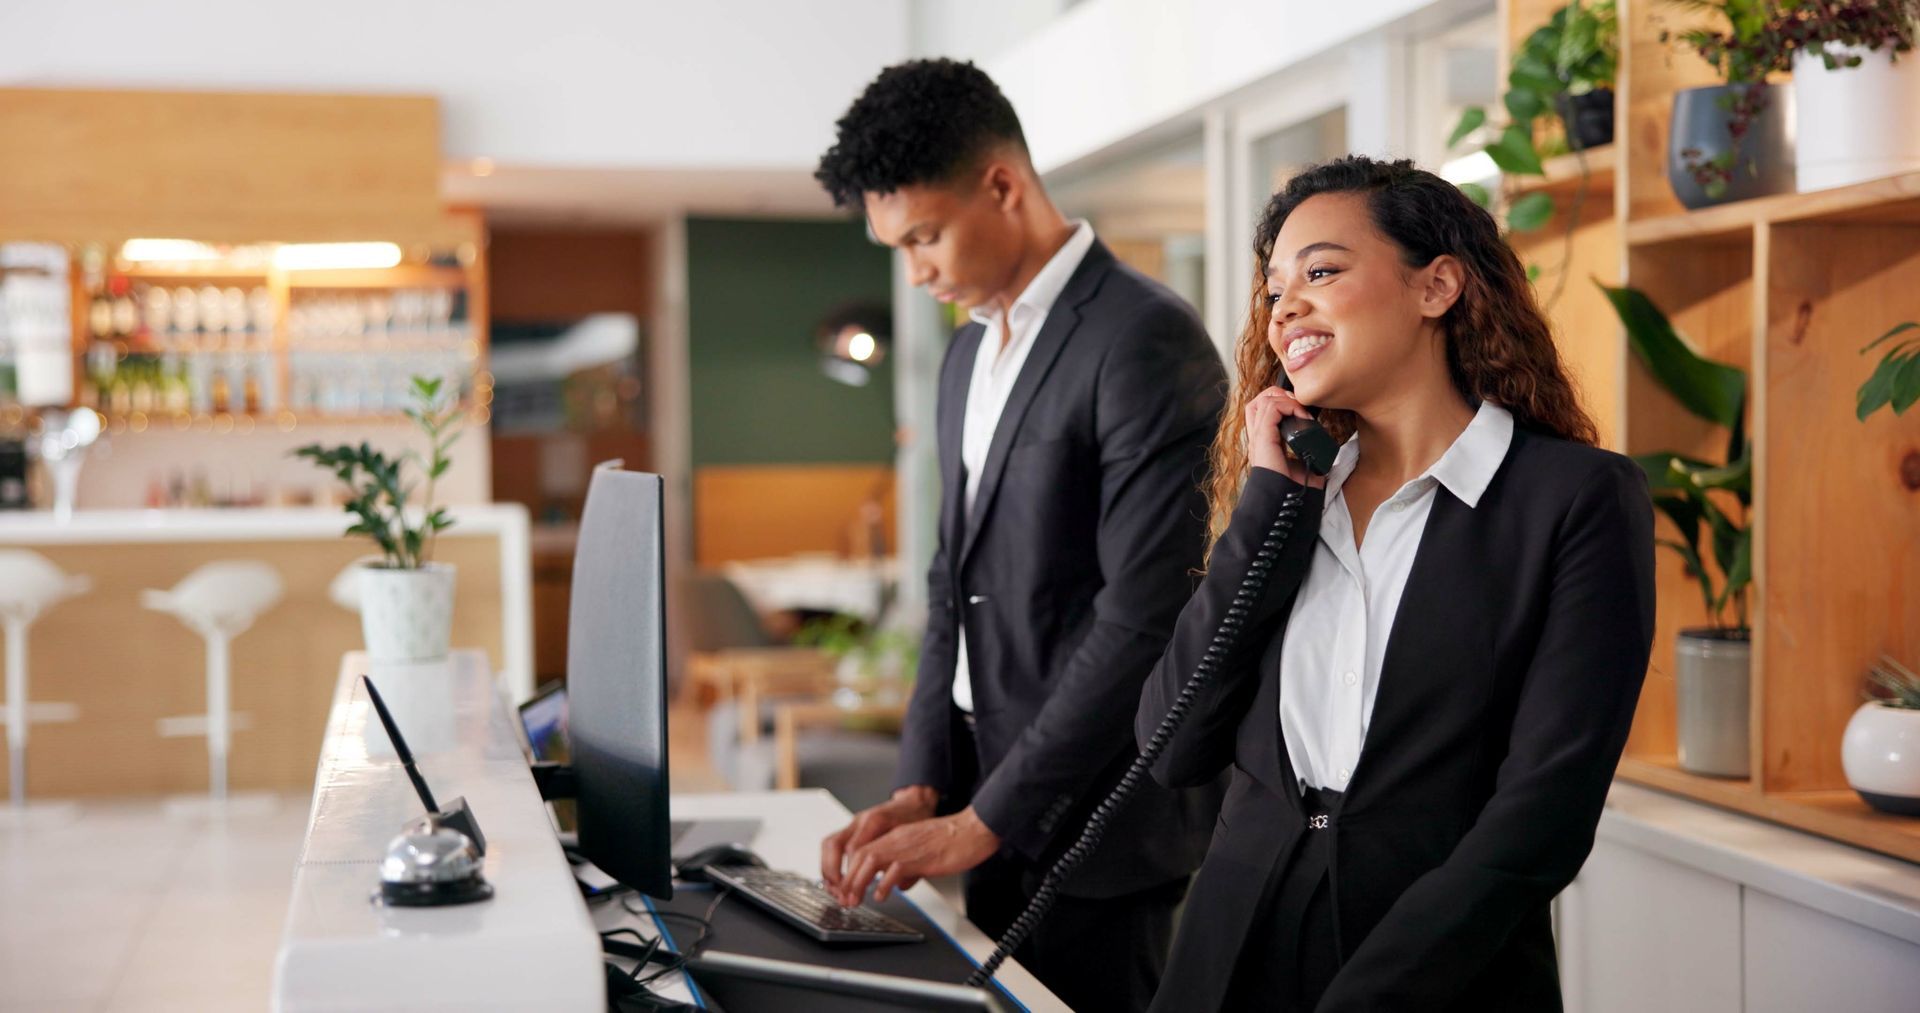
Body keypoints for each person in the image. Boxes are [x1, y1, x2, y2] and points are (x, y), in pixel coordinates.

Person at [1137, 155, 1656, 1012]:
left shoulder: (1576, 499)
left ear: (1437, 287)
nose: (1284, 307)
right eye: (1274, 289)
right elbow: (1171, 744)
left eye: (1322, 271)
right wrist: (1267, 501)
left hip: (1435, 979)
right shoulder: (1291, 501)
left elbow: (1543, 817)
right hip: (1227, 960)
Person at [811, 58, 1227, 1012]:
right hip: (988, 786)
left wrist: (984, 820)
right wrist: (923, 784)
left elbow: (1143, 616)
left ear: (1003, 185)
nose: (915, 273)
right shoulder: (966, 355)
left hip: (1099, 815)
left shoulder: (1144, 338)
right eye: (899, 247)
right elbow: (947, 580)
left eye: (924, 237)